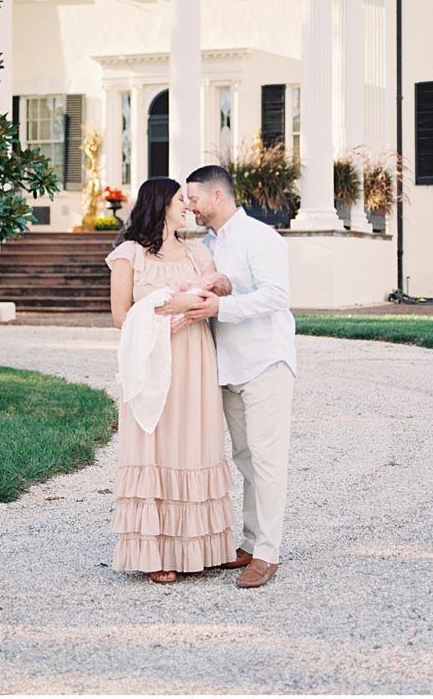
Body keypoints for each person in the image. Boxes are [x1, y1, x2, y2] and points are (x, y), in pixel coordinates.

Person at [155, 165, 296, 589]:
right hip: (228, 367)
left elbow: (276, 296)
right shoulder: (209, 245)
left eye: (193, 198)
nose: (189, 206)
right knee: (245, 460)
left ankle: (267, 554)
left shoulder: (261, 237)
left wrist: (221, 306)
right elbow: (226, 289)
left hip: (265, 363)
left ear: (217, 196)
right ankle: (251, 542)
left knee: (268, 462)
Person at [105, 176, 237, 584]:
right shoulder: (129, 255)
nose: (189, 207)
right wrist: (168, 306)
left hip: (194, 357)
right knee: (156, 446)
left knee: (193, 444)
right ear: (161, 203)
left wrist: (212, 289)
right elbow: (121, 316)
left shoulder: (199, 252)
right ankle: (156, 551)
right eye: (182, 200)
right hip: (152, 356)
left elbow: (219, 291)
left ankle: (200, 546)